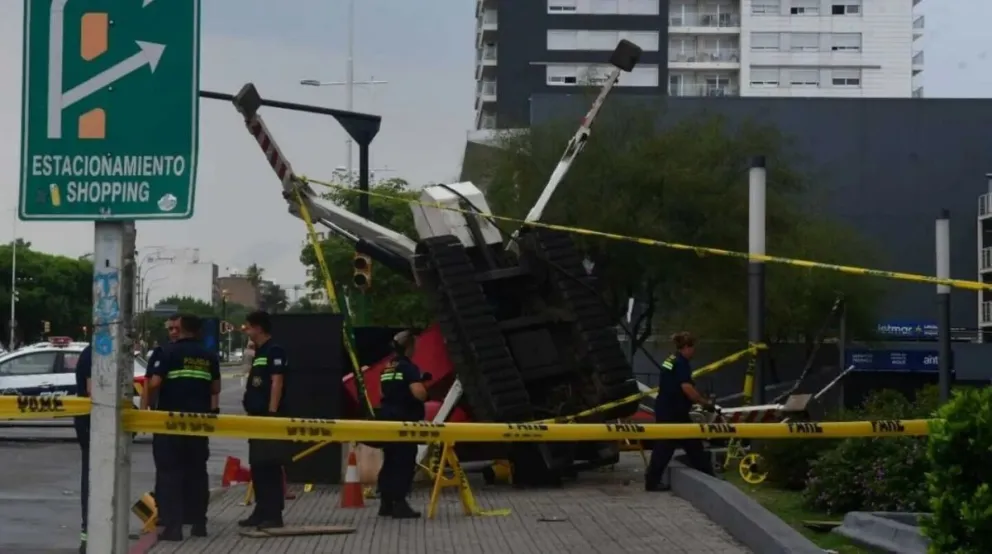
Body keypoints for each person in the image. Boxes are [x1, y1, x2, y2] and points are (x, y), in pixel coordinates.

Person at [142, 314, 221, 541]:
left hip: (170, 423)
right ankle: (199, 523)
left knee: (170, 475)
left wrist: (145, 407)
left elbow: (154, 383)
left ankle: (172, 527)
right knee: (197, 473)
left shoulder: (166, 352)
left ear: (182, 329)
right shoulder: (209, 355)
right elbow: (215, 388)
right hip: (198, 424)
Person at [644, 332, 717, 492]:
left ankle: (708, 474)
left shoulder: (670, 360)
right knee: (667, 446)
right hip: (674, 411)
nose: (694, 352)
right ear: (686, 347)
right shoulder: (682, 363)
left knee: (691, 444)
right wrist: (705, 403)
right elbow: (687, 388)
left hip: (668, 408)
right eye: (692, 348)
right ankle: (652, 481)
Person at [238, 311, 289, 529]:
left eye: (248, 327)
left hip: (268, 418)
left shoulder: (274, 350)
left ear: (258, 328)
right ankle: (261, 510)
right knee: (258, 466)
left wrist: (272, 413)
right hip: (256, 418)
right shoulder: (259, 352)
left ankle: (273, 513)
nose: (246, 331)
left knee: (269, 466)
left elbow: (277, 381)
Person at [377, 330, 430, 518]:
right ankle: (400, 503)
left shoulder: (387, 367)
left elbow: (382, 393)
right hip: (404, 421)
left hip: (387, 419)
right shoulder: (408, 367)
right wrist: (424, 388)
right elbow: (419, 393)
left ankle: (385, 503)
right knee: (404, 461)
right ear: (409, 346)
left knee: (390, 460)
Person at [73, 344, 93, 554]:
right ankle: (88, 534)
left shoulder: (97, 351)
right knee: (92, 475)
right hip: (91, 423)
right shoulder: (97, 353)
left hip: (91, 422)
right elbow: (93, 389)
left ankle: (90, 534)